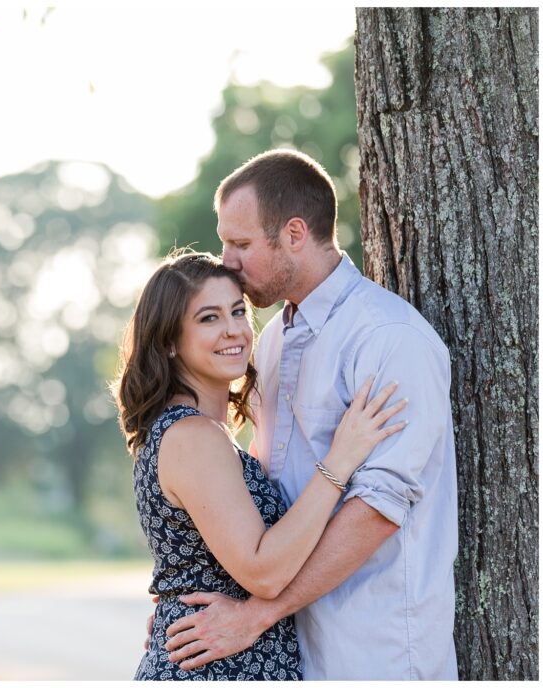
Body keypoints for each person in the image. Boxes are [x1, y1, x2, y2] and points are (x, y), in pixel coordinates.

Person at [161, 149, 459, 680]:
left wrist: (258, 615)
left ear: (294, 234)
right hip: (292, 650)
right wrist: (181, 612)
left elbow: (377, 510)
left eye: (241, 244)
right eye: (225, 241)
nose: (226, 260)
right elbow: (256, 488)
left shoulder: (388, 339)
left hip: (376, 649)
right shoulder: (271, 341)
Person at [113, 249, 407, 680]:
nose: (234, 330)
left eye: (237, 311)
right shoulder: (193, 437)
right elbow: (264, 573)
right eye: (208, 318)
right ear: (170, 342)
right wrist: (339, 462)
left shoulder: (202, 435)